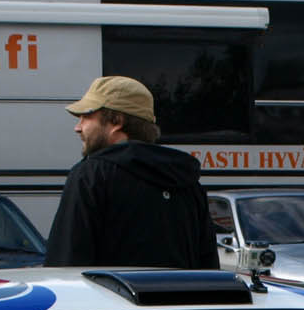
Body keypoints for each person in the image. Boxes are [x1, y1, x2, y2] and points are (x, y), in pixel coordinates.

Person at [46, 76, 215, 270]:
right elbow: (209, 269)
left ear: (117, 121)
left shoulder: (90, 176)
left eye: (86, 116)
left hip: (109, 301)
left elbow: (65, 267)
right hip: (183, 300)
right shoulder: (188, 183)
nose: (78, 127)